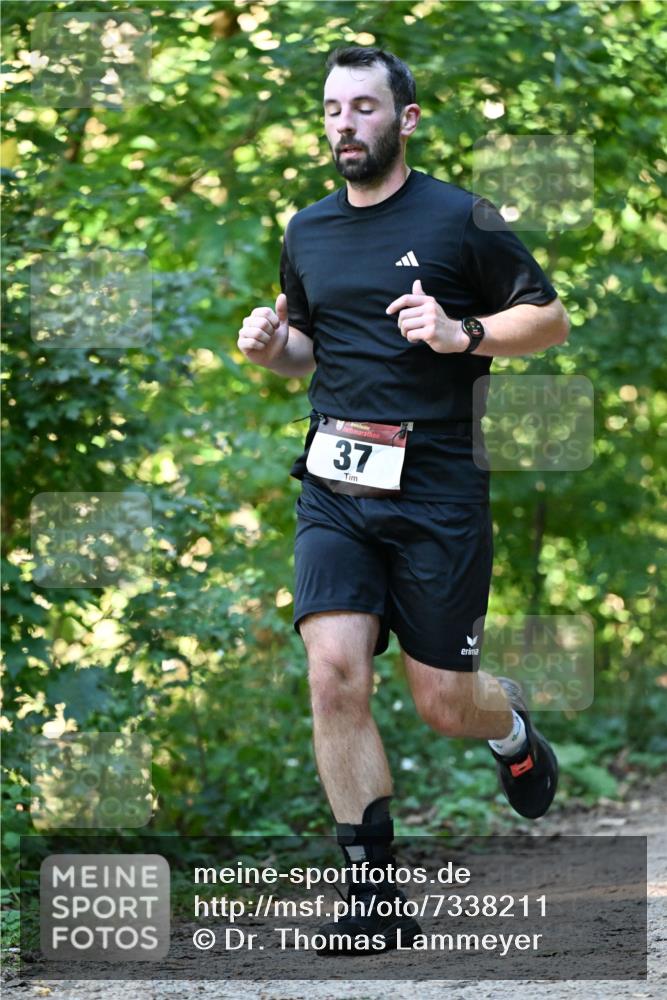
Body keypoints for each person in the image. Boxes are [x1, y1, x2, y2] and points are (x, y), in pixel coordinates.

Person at [237, 45, 569, 954]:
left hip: (437, 492)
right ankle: (374, 899)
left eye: (364, 109)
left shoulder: (464, 217)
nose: (345, 124)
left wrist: (462, 332)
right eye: (333, 109)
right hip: (336, 486)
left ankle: (508, 728)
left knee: (440, 704)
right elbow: (311, 346)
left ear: (406, 119)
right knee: (333, 673)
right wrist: (273, 347)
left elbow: (546, 317)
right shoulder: (307, 230)